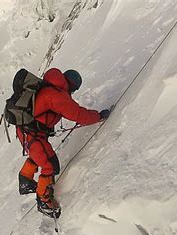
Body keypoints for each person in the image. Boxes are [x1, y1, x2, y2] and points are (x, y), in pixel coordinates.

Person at [16, 68, 111, 218]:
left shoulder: (48, 86)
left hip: (26, 132)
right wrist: (98, 116)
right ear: (72, 86)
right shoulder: (56, 95)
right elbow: (78, 114)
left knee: (40, 156)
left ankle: (25, 180)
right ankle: (44, 201)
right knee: (50, 165)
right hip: (32, 135)